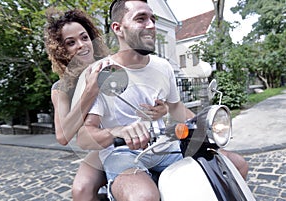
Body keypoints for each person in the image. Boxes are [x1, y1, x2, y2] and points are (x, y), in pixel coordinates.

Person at [75, 0, 196, 200]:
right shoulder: (100, 72)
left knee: (229, 166)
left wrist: (206, 124)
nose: (151, 25)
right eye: (141, 19)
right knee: (143, 197)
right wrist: (116, 131)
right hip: (122, 153)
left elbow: (175, 108)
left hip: (165, 147)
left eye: (153, 19)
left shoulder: (163, 67)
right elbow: (84, 136)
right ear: (118, 28)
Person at [44, 8, 168, 201]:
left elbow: (142, 95)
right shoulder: (61, 88)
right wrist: (90, 92)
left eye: (84, 37)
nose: (81, 45)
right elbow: (63, 136)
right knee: (81, 189)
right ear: (62, 50)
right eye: (71, 42)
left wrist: (162, 109)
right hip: (102, 144)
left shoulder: (111, 66)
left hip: (132, 138)